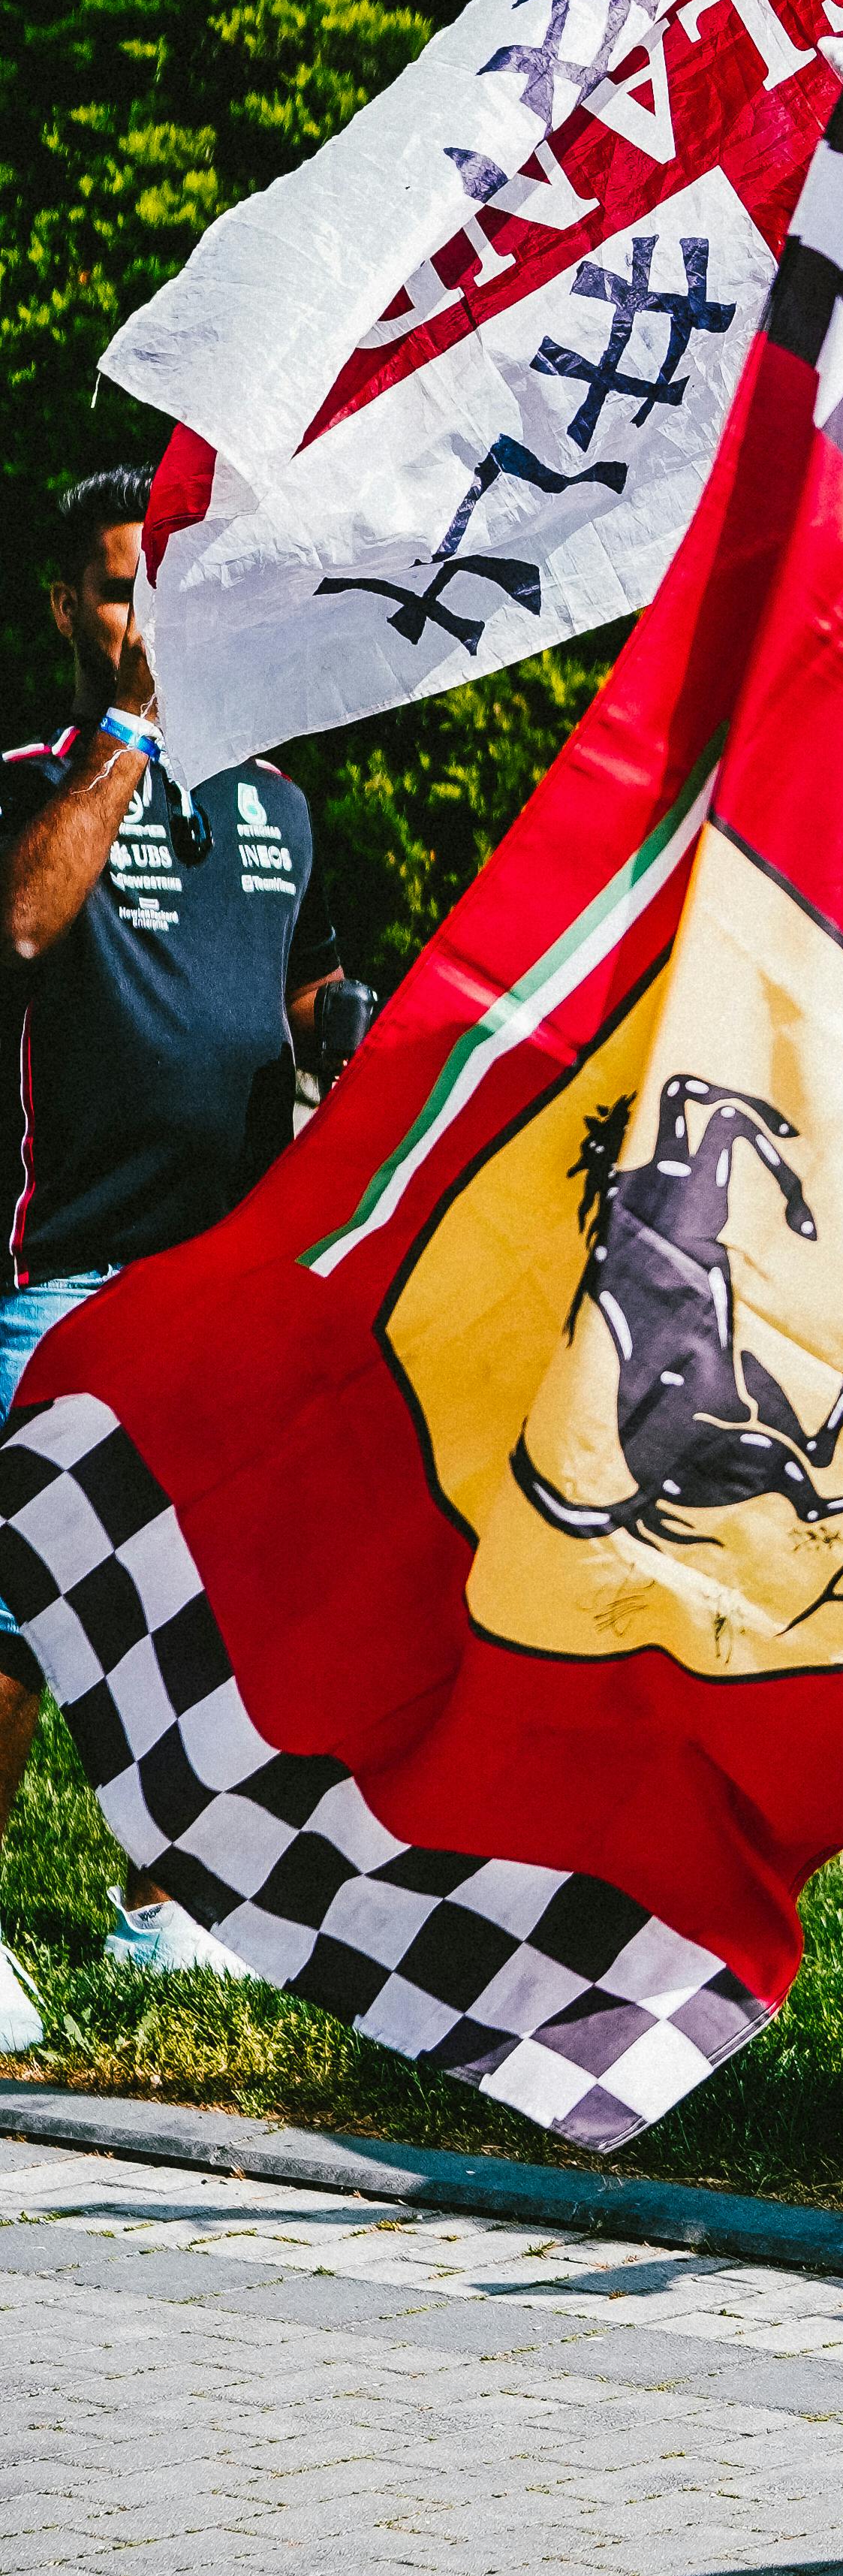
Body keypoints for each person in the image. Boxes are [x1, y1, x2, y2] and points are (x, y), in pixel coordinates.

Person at [0, 465, 344, 2039]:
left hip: (223, 1282)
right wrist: (135, 730)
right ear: (72, 606)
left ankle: (169, 1903)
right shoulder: (32, 778)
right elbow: (18, 925)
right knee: (18, 1605)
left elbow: (298, 1007)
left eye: (175, 587)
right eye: (125, 584)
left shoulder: (279, 804)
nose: (153, 615)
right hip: (61, 1264)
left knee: (201, 1611)